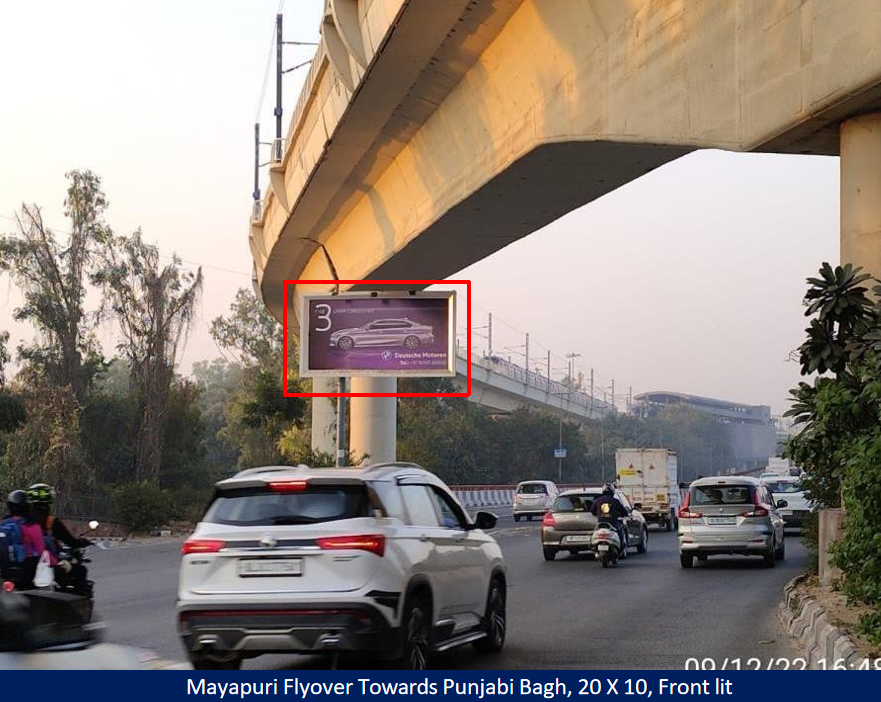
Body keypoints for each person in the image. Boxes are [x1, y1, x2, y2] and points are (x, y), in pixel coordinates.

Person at [25, 484, 91, 586]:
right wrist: (82, 542)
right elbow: (71, 541)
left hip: (27, 567)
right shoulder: (51, 522)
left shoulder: (22, 522)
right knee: (80, 571)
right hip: (51, 565)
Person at [1, 490, 44, 587]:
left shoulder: (3, 524)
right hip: (27, 576)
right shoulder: (32, 526)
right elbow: (41, 551)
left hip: (5, 576)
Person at [590, 485, 630, 558]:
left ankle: (593, 546)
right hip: (613, 523)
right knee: (620, 531)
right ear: (612, 492)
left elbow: (592, 511)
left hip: (601, 524)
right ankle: (621, 548)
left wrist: (599, 514)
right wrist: (625, 515)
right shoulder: (615, 501)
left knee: (594, 532)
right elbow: (623, 511)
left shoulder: (598, 500)